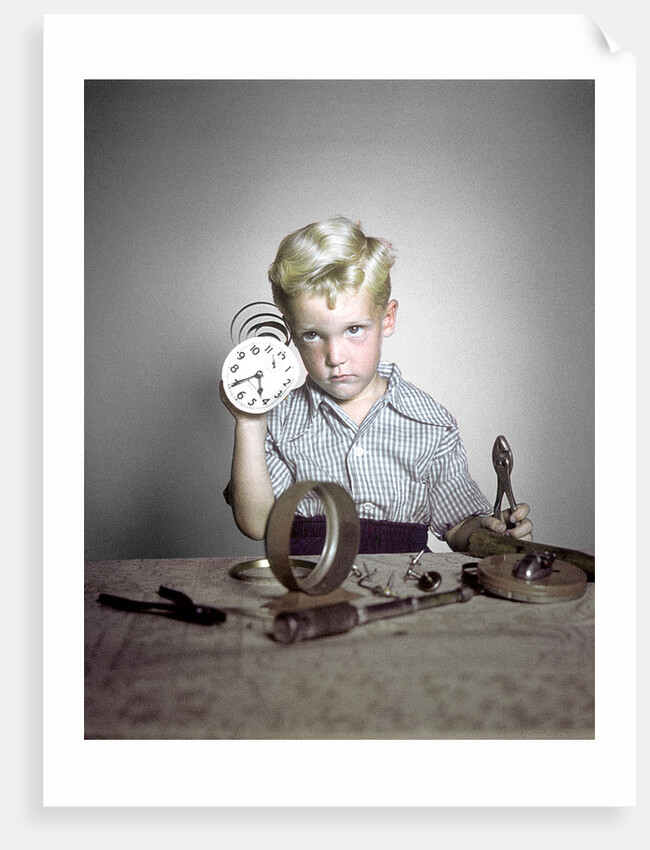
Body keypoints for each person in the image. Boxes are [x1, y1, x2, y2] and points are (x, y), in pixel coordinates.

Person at [220, 216, 532, 554]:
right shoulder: (280, 419)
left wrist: (489, 532)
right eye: (312, 335)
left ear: (387, 319)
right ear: (291, 334)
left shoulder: (429, 421)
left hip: (404, 593)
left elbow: (458, 525)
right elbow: (257, 524)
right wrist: (249, 422)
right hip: (307, 590)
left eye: (354, 329)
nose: (335, 356)